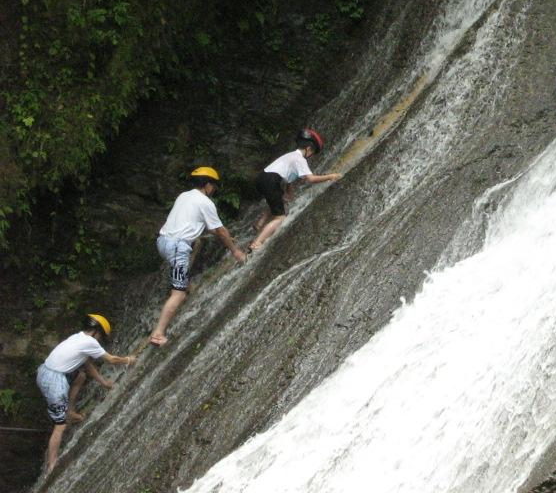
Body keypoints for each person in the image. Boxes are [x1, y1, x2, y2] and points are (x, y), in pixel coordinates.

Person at [149, 166, 246, 346]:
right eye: (214, 186)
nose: (214, 190)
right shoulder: (205, 202)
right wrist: (235, 251)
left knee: (192, 255)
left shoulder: (183, 196)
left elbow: (202, 225)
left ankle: (184, 283)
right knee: (178, 294)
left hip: (163, 243)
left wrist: (220, 233)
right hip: (178, 247)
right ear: (207, 184)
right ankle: (158, 333)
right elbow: (220, 229)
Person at [35, 314, 137, 473]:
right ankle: (52, 465)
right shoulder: (90, 342)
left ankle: (70, 411)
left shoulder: (78, 337)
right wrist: (128, 360)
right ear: (97, 332)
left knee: (80, 376)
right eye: (101, 337)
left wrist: (103, 382)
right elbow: (112, 360)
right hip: (55, 381)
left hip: (44, 373)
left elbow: (86, 364)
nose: (100, 340)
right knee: (60, 426)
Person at [249, 128, 340, 252]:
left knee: (279, 198)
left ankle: (260, 222)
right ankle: (256, 243)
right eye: (312, 153)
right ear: (309, 149)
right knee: (280, 218)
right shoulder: (300, 160)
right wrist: (330, 176)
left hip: (262, 179)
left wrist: (288, 194)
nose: (311, 156)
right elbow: (311, 179)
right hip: (271, 181)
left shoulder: (290, 156)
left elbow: (289, 179)